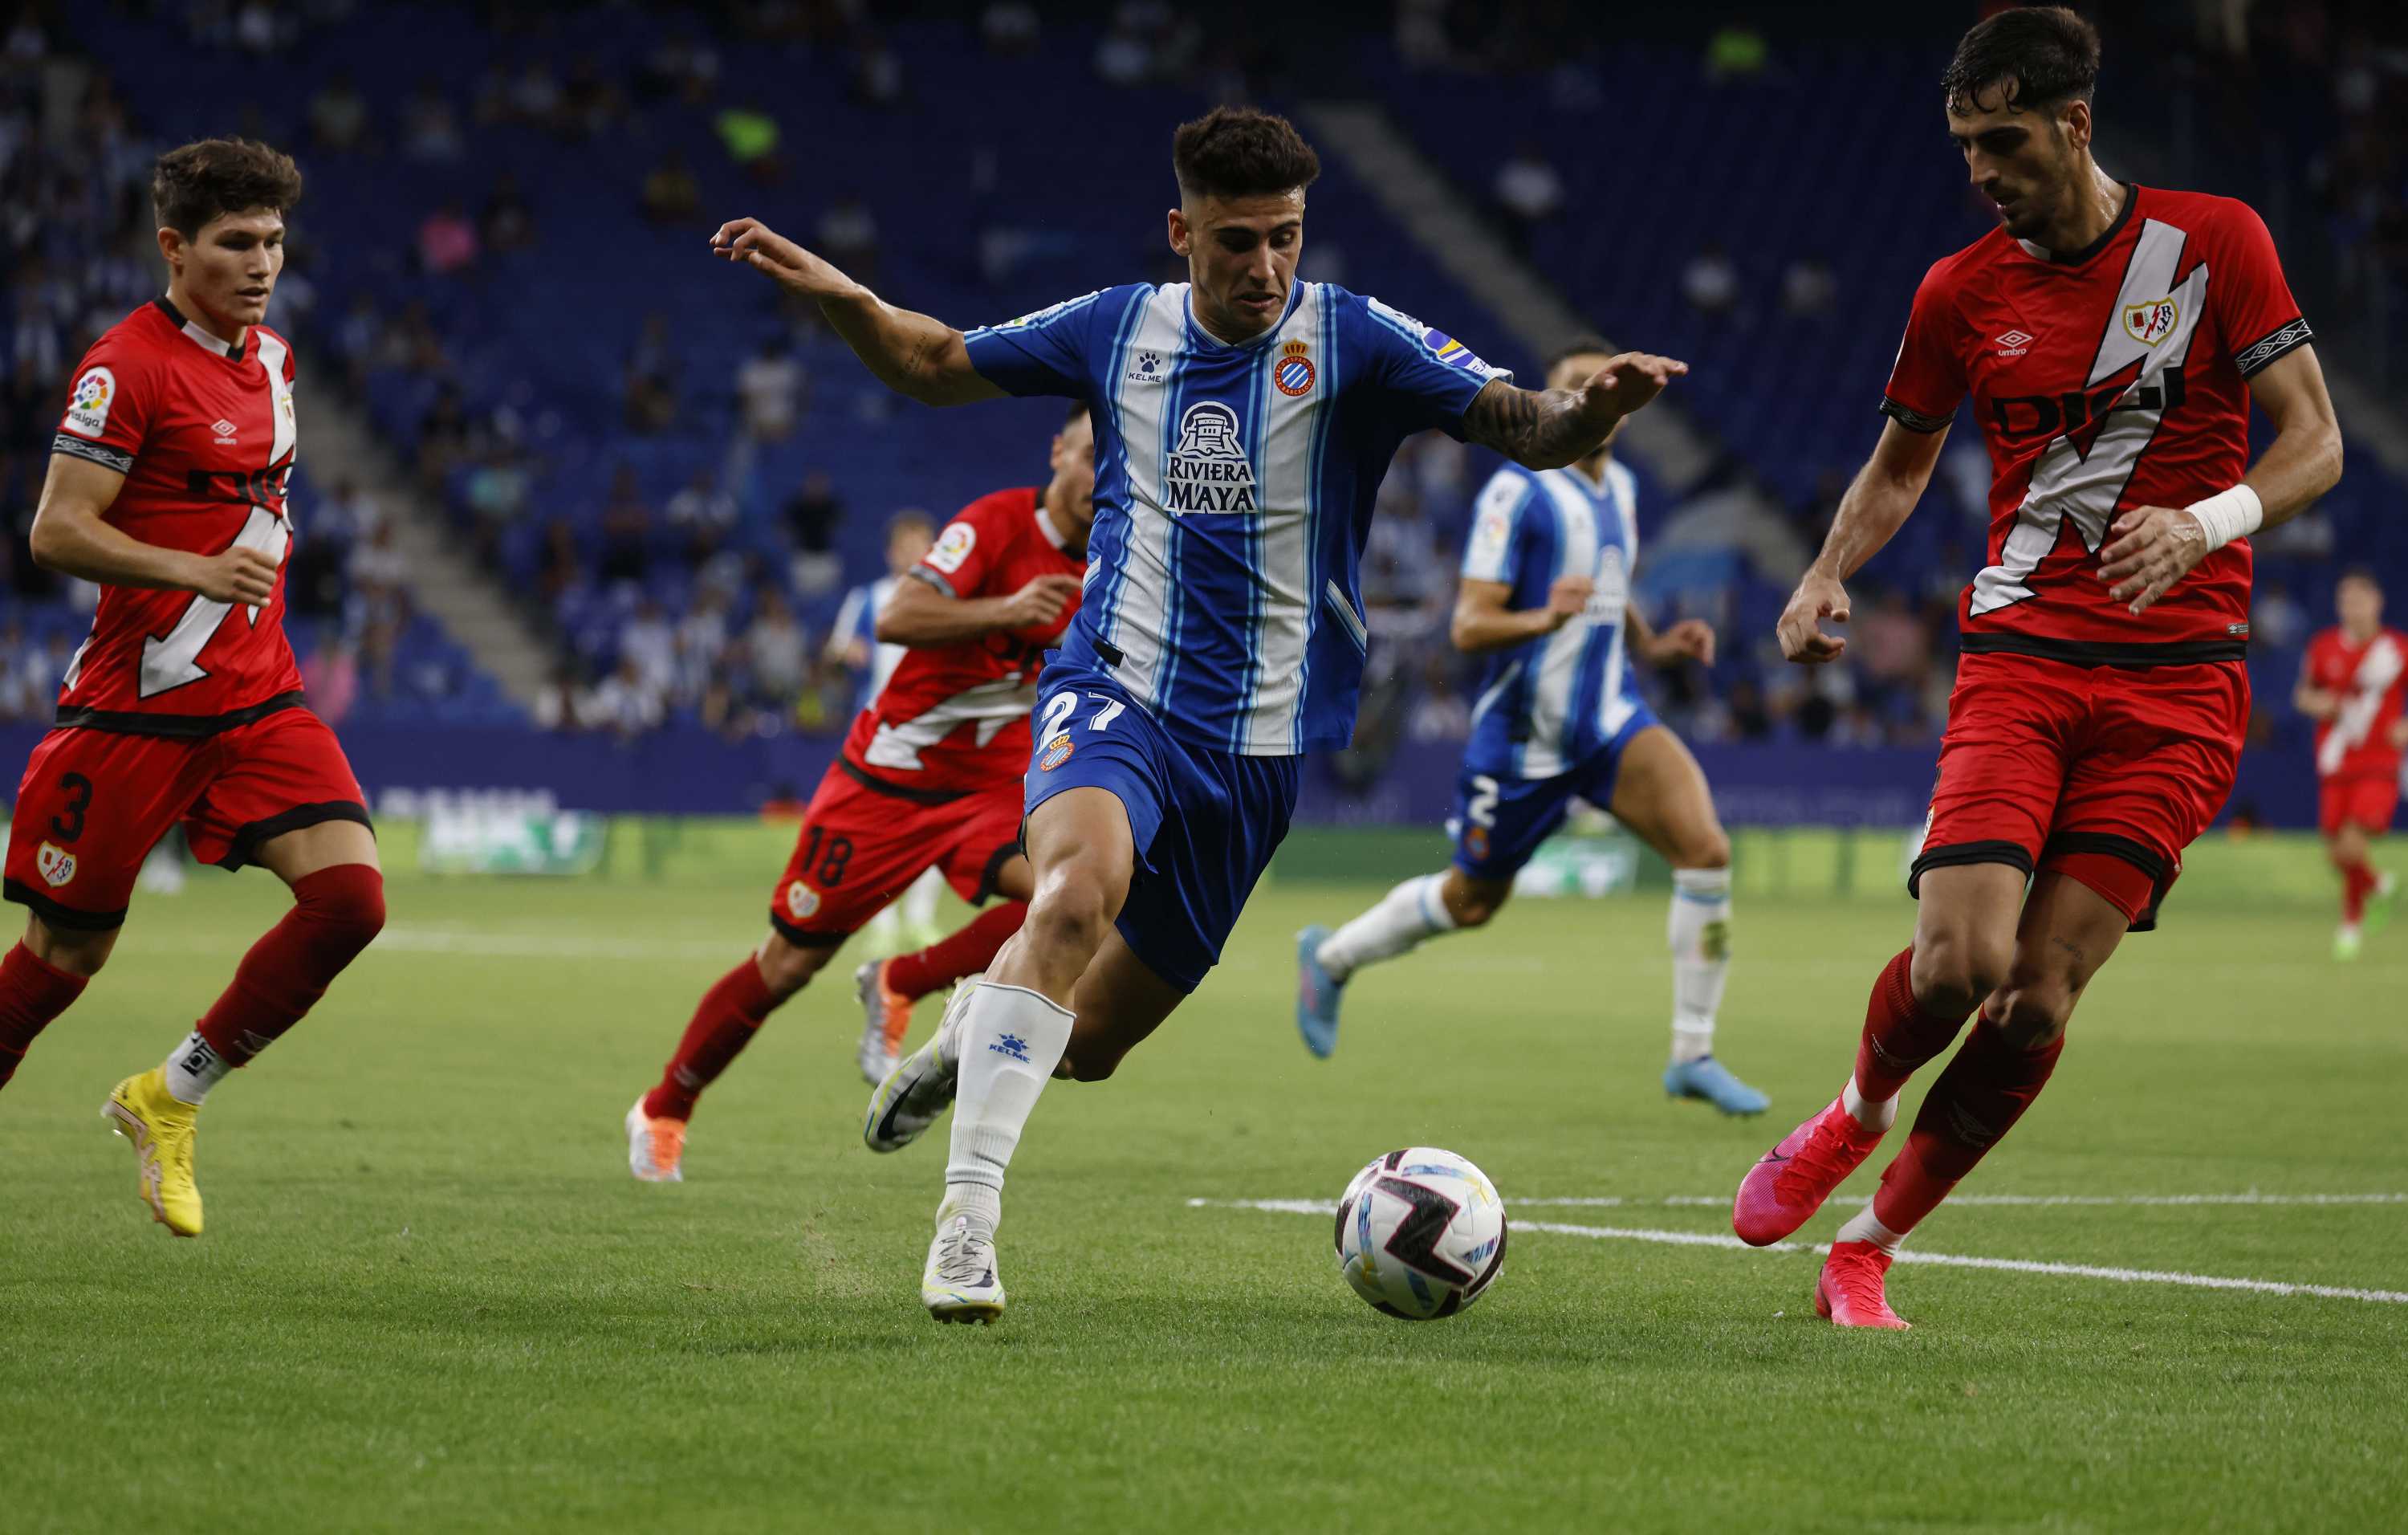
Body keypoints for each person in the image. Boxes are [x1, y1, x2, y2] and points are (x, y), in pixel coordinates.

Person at [709, 104, 1685, 1321]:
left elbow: (1522, 423)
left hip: (1261, 751)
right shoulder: (1119, 327)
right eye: (1236, 240)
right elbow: (934, 360)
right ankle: (965, 1226)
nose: (1265, 266)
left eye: (1285, 237)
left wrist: (1596, 414)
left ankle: (971, 1031)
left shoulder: (1356, 337)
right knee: (1073, 895)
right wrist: (843, 296)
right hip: (1115, 687)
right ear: (1182, 233)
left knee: (1091, 1041)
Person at [1732, 8, 2342, 1329]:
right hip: (2023, 656)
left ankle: (1868, 1248)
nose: (1981, 170)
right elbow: (1899, 466)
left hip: (2180, 688)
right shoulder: (1958, 293)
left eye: (2003, 141)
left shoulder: (2214, 242)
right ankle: (1855, 1111)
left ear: (2075, 124)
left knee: (2034, 997)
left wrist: (2207, 522)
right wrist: (1827, 567)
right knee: (1957, 963)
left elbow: (2316, 441)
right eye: (1964, 145)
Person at [0, 139, 387, 1235]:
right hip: (133, 713)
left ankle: (168, 1097)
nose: (261, 263)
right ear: (175, 248)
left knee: (351, 902)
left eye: (273, 241)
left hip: (259, 700)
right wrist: (192, 568)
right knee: (63, 959)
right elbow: (55, 531)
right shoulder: (126, 366)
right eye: (235, 242)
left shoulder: (277, 362)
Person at [1296, 336, 1767, 1118]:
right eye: (1572, 386)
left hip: (1611, 721)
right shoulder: (1517, 493)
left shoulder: (1621, 488)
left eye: (1599, 383)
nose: (1589, 396)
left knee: (1706, 852)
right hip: (1525, 739)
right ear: (1549, 402)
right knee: (1471, 901)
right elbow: (1468, 626)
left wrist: (1652, 643)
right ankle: (1334, 958)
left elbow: (1607, 586)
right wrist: (1544, 617)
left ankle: (1693, 1054)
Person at [624, 407, 1094, 1179]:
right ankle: (665, 1107)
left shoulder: (1117, 562)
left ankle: (900, 980)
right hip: (886, 784)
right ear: (1057, 453)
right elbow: (896, 614)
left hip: (989, 788)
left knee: (1072, 900)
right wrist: (1007, 611)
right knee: (786, 966)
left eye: (1115, 467)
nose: (1099, 480)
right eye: (1088, 457)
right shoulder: (997, 523)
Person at [828, 510, 946, 961]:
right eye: (906, 546)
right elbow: (837, 647)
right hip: (878, 731)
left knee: (934, 827)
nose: (915, 554)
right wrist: (848, 652)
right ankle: (882, 923)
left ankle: (920, 919)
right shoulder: (868, 598)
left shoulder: (949, 599)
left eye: (923, 546)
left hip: (935, 729)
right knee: (877, 829)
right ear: (891, 552)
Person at [2295, 568, 2405, 959]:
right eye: (2345, 600)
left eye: (2359, 600)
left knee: (2352, 844)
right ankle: (2378, 887)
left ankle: (2350, 925)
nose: (2352, 608)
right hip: (2336, 760)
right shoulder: (2323, 646)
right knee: (2336, 853)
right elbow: (2302, 695)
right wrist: (2319, 704)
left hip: (2379, 762)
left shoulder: (2395, 649)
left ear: (2377, 602)